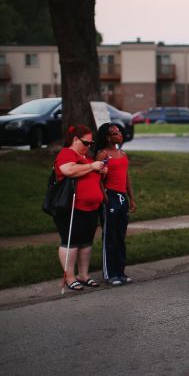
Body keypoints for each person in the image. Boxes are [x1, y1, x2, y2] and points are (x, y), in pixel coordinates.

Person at [54, 125, 107, 291]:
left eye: (91, 144)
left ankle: (83, 275)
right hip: (72, 207)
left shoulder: (85, 157)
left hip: (91, 207)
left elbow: (91, 175)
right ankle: (69, 277)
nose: (89, 146)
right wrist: (92, 167)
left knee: (86, 243)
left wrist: (101, 169)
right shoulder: (67, 153)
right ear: (75, 140)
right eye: (86, 142)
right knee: (71, 242)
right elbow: (67, 170)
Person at [95, 123, 137, 286]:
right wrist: (105, 197)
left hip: (122, 198)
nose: (120, 134)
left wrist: (131, 198)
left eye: (119, 132)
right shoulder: (102, 155)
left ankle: (120, 271)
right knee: (110, 236)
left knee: (120, 236)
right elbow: (97, 179)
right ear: (108, 137)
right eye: (115, 133)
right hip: (109, 197)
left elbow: (126, 177)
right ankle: (110, 274)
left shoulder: (122, 153)